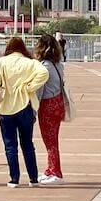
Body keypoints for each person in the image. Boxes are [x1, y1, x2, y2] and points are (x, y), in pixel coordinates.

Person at [0, 36, 49, 188]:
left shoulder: (1, 62)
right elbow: (44, 73)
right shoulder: (30, 63)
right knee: (27, 143)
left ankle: (14, 178)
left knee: (10, 145)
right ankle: (33, 178)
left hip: (6, 109)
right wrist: (29, 88)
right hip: (25, 106)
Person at [34, 33, 66, 185]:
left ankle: (56, 171)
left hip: (48, 105)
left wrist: (34, 110)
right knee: (52, 138)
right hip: (58, 102)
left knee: (50, 140)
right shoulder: (58, 65)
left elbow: (39, 91)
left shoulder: (44, 67)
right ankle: (50, 168)